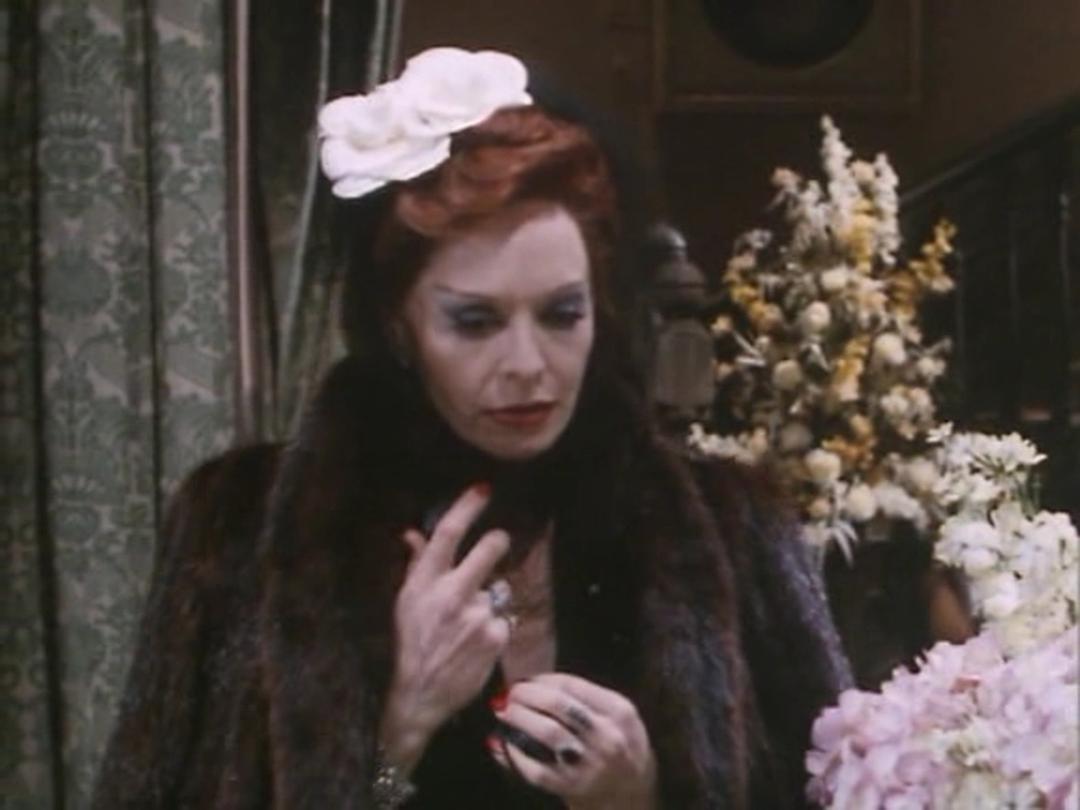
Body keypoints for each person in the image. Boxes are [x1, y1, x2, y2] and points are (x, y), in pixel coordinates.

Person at [92, 47, 851, 809]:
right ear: (400, 326)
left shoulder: (732, 529)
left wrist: (646, 797)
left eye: (562, 314)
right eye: (475, 321)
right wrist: (397, 731)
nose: (526, 364)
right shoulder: (239, 529)